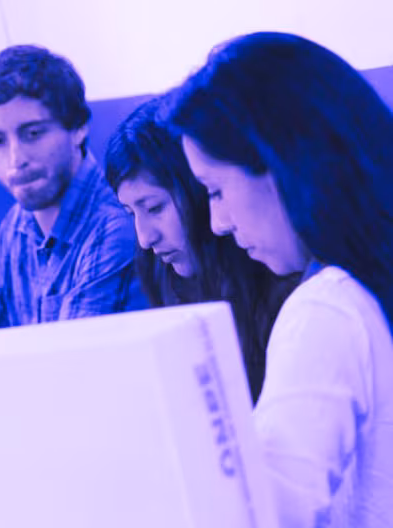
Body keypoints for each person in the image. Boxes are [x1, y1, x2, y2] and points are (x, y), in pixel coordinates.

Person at [163, 31, 393, 527]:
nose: (218, 224)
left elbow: (262, 514)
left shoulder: (329, 309)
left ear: (282, 167)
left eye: (215, 190)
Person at [103, 96, 297, 405]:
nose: (145, 238)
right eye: (130, 213)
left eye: (154, 208)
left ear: (200, 190)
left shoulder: (274, 267)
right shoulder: (158, 268)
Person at [0, 44, 146, 332]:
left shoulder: (112, 226)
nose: (16, 159)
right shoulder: (16, 224)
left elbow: (72, 357)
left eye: (33, 134)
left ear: (78, 127)